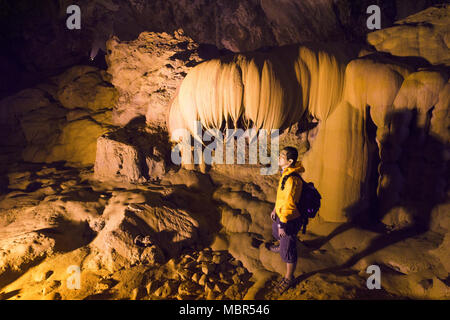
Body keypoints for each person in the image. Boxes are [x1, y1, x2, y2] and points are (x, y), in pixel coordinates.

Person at [270, 146, 304, 293]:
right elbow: (282, 197)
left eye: (282, 156)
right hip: (282, 213)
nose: (279, 157)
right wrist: (275, 209)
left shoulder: (292, 179)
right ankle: (282, 246)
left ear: (289, 161)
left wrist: (282, 224)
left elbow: (289, 204)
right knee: (277, 234)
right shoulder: (286, 173)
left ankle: (289, 277)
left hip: (289, 219)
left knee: (288, 249)